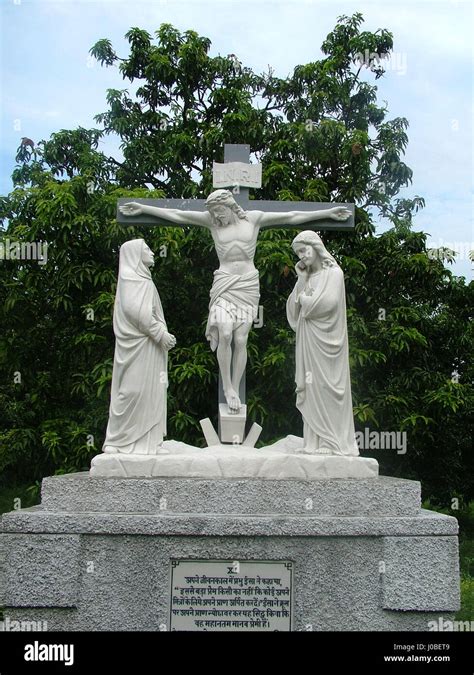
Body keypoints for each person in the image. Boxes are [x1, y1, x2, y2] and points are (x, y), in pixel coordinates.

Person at [119, 191, 350, 414]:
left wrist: (328, 213)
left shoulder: (255, 219)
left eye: (220, 211)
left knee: (241, 339)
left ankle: (235, 388)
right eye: (214, 213)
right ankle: (228, 387)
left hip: (247, 286)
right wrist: (143, 208)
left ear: (230, 206)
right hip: (224, 285)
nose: (217, 216)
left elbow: (292, 216)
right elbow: (178, 215)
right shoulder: (212, 223)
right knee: (225, 333)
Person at [286, 231, 359, 456]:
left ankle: (332, 443)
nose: (302, 256)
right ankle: (312, 442)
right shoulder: (306, 277)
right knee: (311, 387)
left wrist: (305, 300)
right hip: (308, 340)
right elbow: (293, 310)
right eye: (298, 252)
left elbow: (329, 303)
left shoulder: (334, 273)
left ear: (316, 247)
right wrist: (300, 281)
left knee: (327, 387)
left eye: (304, 250)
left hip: (328, 342)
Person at [103, 239, 176, 455]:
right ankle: (116, 441)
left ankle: (149, 443)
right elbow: (138, 314)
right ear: (136, 254)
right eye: (147, 249)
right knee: (131, 391)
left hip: (149, 347)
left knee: (151, 392)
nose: (152, 252)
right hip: (137, 346)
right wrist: (160, 334)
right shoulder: (131, 280)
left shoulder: (144, 280)